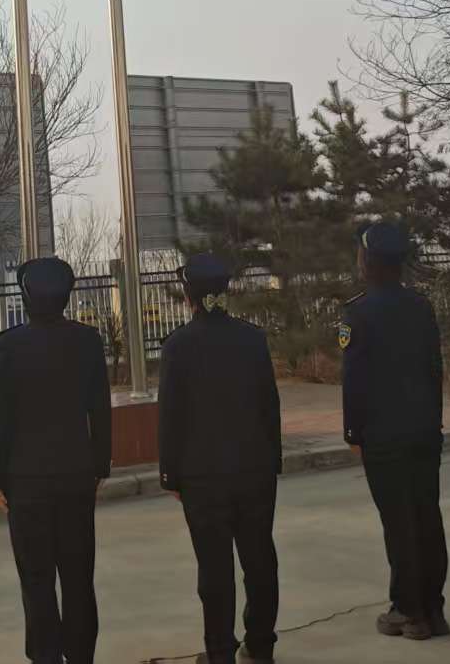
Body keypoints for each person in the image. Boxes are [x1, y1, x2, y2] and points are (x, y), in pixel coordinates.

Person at [0, 256, 113, 664]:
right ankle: (81, 656)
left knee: (36, 579)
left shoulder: (9, 346)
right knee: (78, 577)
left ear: (25, 297)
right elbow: (100, 409)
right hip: (77, 475)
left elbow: (0, 419)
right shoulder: (87, 340)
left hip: (25, 480)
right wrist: (101, 466)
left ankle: (44, 656)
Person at [159, 253, 283, 664]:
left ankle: (219, 652)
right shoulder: (252, 339)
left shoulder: (178, 345)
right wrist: (272, 461)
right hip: (255, 470)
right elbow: (269, 405)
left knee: (213, 568)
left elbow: (171, 416)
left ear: (188, 296)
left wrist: (170, 475)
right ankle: (261, 645)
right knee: (259, 559)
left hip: (202, 476)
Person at [340, 220, 450, 641]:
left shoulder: (359, 312)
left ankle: (409, 611)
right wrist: (434, 422)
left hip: (382, 435)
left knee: (399, 522)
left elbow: (354, 381)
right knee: (427, 516)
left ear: (368, 261)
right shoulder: (420, 307)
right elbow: (435, 370)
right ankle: (434, 609)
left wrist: (353, 433)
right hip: (423, 430)